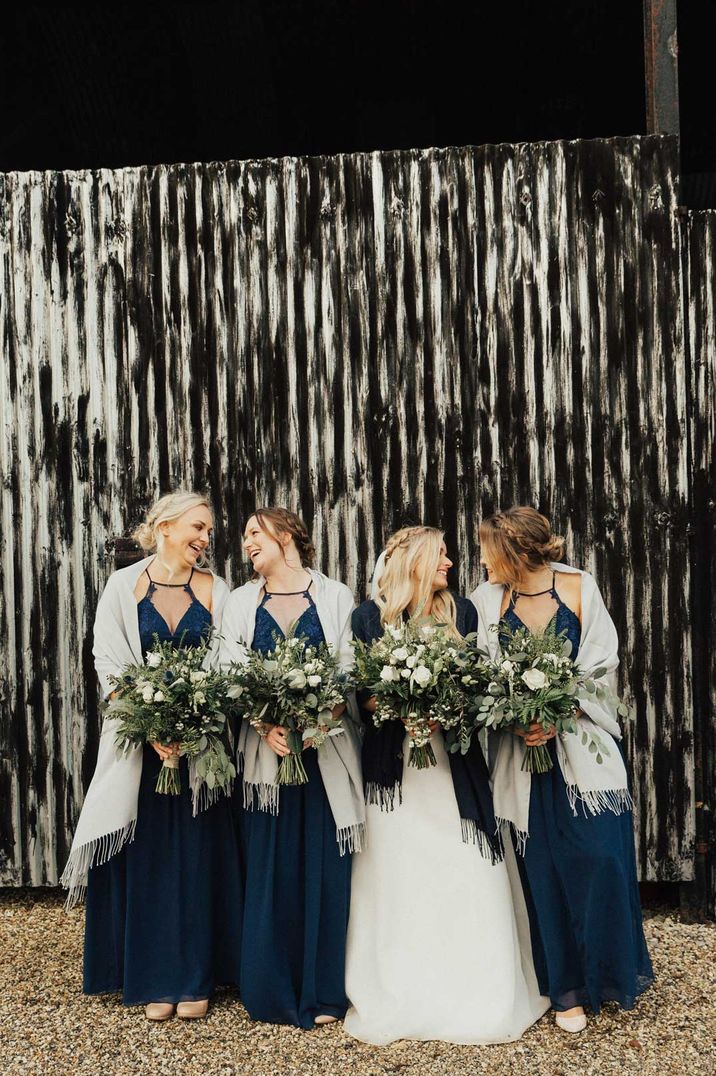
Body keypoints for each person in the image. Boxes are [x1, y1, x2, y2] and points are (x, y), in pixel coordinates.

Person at [344, 525, 548, 1045]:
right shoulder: (368, 619)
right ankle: (400, 986)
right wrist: (398, 706)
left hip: (451, 767)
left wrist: (441, 711)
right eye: (441, 556)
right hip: (394, 772)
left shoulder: (463, 612)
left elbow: (478, 682)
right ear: (413, 561)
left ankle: (478, 987)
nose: (451, 565)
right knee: (398, 873)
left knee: (468, 869)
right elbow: (361, 696)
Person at [61, 491, 243, 1021]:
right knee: (150, 863)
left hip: (200, 751)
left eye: (209, 531)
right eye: (198, 527)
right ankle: (153, 976)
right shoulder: (123, 585)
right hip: (141, 751)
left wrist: (190, 722)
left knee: (196, 861)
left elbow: (228, 660)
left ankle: (195, 976)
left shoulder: (217, 589)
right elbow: (108, 656)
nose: (205, 539)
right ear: (164, 526)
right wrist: (151, 726)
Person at [472, 506, 654, 1033]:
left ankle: (609, 972)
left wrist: (561, 709)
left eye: (488, 548)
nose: (480, 558)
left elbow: (603, 659)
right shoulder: (488, 601)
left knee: (599, 859)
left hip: (581, 749)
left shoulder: (579, 587)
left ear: (515, 551)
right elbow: (483, 670)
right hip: (522, 758)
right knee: (542, 870)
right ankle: (565, 989)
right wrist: (515, 719)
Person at [220, 507, 365, 1029]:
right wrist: (265, 724)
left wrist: (318, 719)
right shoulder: (240, 602)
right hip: (268, 759)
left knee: (326, 869)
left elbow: (349, 670)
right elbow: (229, 671)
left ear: (286, 536)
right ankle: (272, 988)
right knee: (271, 867)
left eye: (254, 533)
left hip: (326, 752)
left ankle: (325, 992)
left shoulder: (335, 596)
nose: (247, 545)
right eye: (244, 538)